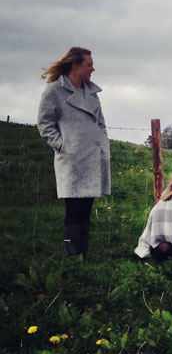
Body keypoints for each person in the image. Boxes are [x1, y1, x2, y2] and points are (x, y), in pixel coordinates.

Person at [37, 47, 110, 259]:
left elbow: (100, 122)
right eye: (89, 64)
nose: (93, 68)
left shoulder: (91, 92)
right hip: (73, 160)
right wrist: (63, 146)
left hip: (93, 157)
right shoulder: (54, 91)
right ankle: (73, 256)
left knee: (86, 208)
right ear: (75, 65)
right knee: (74, 208)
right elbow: (45, 124)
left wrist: (102, 142)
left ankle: (83, 256)